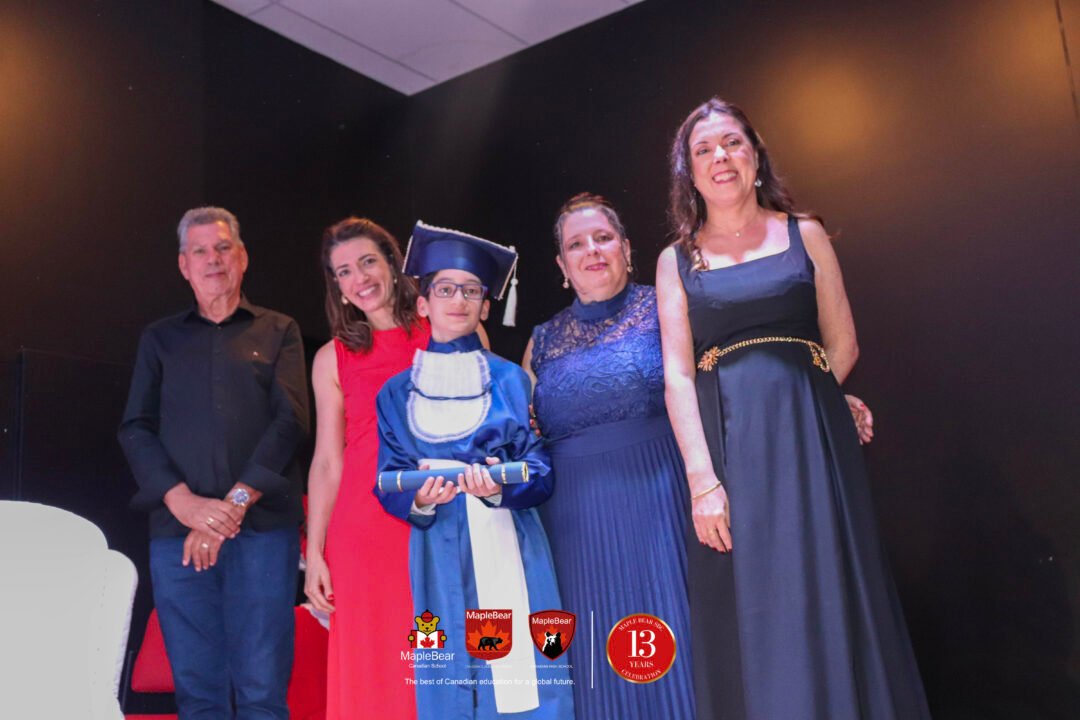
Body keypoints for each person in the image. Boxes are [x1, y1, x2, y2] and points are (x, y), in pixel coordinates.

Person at [656, 98, 930, 719]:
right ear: (689, 173)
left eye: (732, 142)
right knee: (760, 598)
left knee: (832, 584)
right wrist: (702, 483)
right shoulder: (675, 260)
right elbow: (677, 373)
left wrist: (818, 400)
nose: (720, 157)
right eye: (703, 149)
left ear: (755, 155)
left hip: (814, 442)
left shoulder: (804, 233)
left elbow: (843, 343)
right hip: (730, 450)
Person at [376, 222, 575, 720]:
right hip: (438, 548)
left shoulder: (511, 381)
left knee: (520, 682)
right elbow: (389, 476)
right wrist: (422, 498)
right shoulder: (395, 393)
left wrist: (497, 487)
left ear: (486, 307)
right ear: (423, 303)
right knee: (448, 673)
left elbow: (540, 470)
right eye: (445, 289)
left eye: (471, 291)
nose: (459, 300)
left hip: (507, 539)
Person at [119, 206, 309, 719]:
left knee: (262, 690)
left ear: (242, 257)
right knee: (197, 692)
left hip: (263, 530)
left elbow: (290, 422)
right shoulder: (159, 339)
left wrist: (233, 505)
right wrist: (184, 504)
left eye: (223, 248)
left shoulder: (280, 330)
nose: (213, 259)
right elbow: (136, 427)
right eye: (199, 250)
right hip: (177, 532)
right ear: (184, 265)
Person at [524, 193, 695, 719]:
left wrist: (825, 398)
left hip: (661, 506)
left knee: (677, 650)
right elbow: (521, 436)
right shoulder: (541, 341)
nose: (592, 250)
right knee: (597, 667)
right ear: (561, 265)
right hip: (574, 526)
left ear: (626, 247)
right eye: (576, 244)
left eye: (603, 238)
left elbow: (720, 381)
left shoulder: (665, 306)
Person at [304, 217, 429, 719]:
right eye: (344, 271)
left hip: (438, 522)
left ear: (393, 264)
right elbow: (327, 461)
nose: (360, 278)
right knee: (371, 668)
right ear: (337, 286)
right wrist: (315, 552)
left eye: (368, 262)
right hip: (362, 534)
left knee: (436, 662)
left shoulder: (446, 328)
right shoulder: (330, 358)